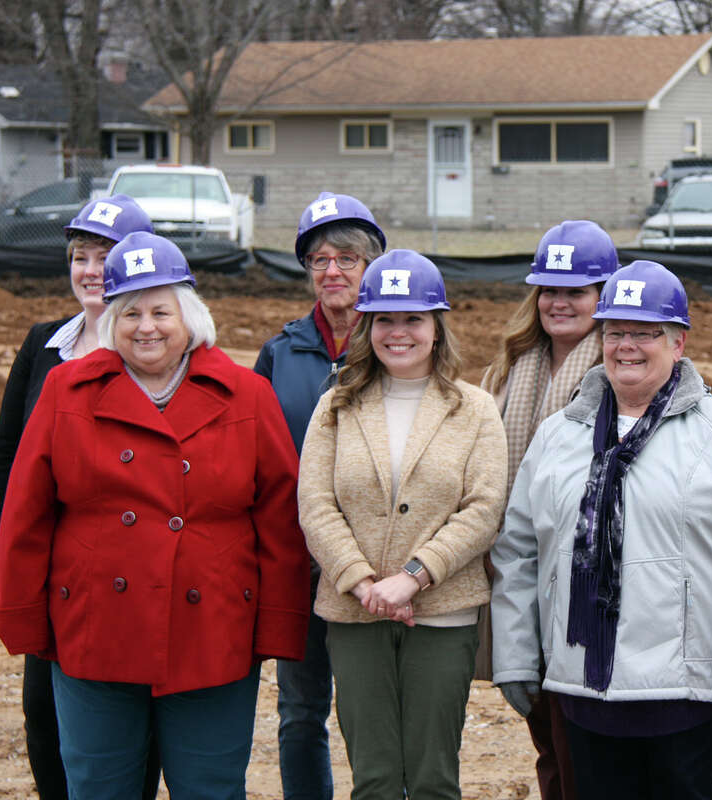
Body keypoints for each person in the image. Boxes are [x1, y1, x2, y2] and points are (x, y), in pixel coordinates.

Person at [0, 231, 311, 800]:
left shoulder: (247, 394)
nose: (147, 328)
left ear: (190, 316)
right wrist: (23, 615)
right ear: (111, 321)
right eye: (131, 313)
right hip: (95, 630)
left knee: (211, 788)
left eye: (161, 312)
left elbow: (280, 522)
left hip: (213, 634)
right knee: (98, 787)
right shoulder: (66, 389)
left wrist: (279, 625)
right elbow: (26, 512)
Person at [490, 260, 712, 800]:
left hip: (685, 690)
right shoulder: (558, 435)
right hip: (583, 685)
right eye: (615, 332)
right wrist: (514, 654)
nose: (626, 346)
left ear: (678, 343)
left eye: (645, 333)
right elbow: (518, 553)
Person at [297, 249, 506, 800]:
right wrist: (363, 582)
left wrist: (413, 577)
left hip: (443, 612)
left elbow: (484, 508)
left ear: (437, 328)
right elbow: (315, 504)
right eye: (384, 319)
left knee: (434, 777)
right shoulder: (336, 406)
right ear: (366, 328)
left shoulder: (475, 409)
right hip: (355, 610)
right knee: (374, 778)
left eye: (413, 318)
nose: (398, 332)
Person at [0, 194, 163, 800]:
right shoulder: (43, 344)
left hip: (125, 569)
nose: (91, 270)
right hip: (49, 565)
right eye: (81, 257)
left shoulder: (152, 349)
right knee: (43, 709)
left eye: (106, 257)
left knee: (127, 716)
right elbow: (7, 456)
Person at [480, 219, 619, 800]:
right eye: (549, 290)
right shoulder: (508, 370)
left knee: (582, 747)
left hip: (585, 584)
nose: (559, 302)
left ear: (603, 296)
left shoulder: (619, 370)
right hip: (519, 574)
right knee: (549, 744)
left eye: (576, 291)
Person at [254, 191, 386, 800]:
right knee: (301, 711)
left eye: (347, 259)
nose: (332, 271)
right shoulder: (281, 353)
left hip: (376, 566)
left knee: (371, 710)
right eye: (320, 260)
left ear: (373, 265)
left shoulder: (399, 345)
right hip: (300, 564)